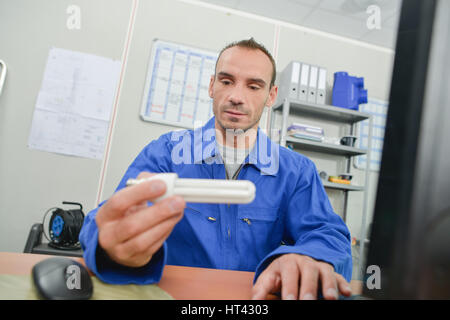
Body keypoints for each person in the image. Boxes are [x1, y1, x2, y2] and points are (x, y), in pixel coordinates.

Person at [79, 38, 353, 300]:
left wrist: (308, 257)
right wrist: (110, 244)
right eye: (226, 81)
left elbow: (327, 234)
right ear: (212, 86)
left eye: (254, 86)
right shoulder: (165, 153)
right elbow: (109, 218)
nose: (236, 96)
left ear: (271, 96)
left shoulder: (297, 171)